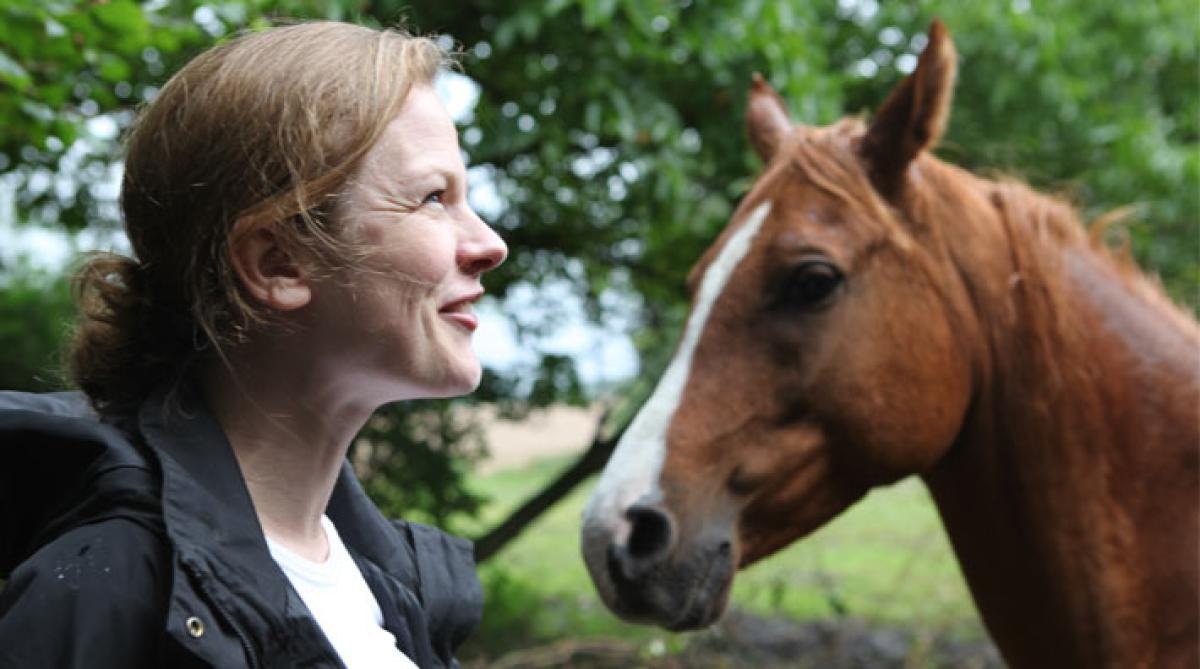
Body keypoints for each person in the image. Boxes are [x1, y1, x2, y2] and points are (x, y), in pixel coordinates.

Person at [0, 20, 506, 668]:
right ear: (276, 264)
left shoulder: (384, 585)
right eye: (434, 197)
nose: (490, 244)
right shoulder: (110, 595)